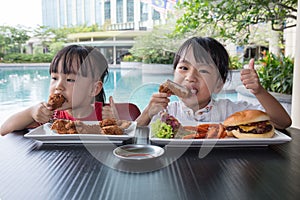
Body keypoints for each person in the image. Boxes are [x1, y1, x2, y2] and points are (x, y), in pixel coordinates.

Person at [136, 37, 292, 129]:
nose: (190, 77)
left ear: (219, 84)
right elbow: (134, 133)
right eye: (184, 68)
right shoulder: (166, 112)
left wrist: (259, 91)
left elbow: (282, 122)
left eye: (203, 71)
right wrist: (148, 112)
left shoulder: (232, 111)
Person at [0, 45, 116, 136]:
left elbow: (126, 135)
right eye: (54, 78)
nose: (58, 86)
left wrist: (115, 122)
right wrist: (31, 112)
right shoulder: (50, 116)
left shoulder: (103, 115)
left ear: (94, 89)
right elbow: (4, 130)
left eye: (70, 79)